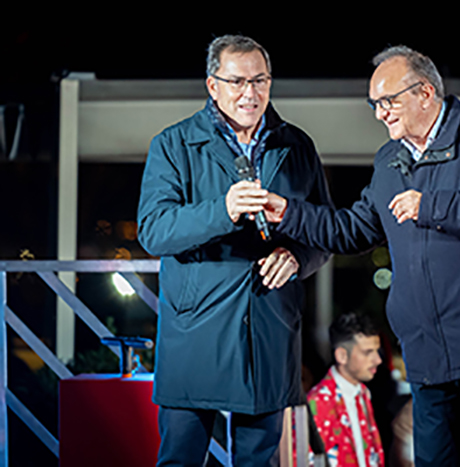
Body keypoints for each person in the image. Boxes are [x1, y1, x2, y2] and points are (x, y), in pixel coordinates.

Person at [259, 46, 460, 466]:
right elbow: (352, 230)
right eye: (374, 104)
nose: (380, 113)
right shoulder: (388, 162)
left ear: (425, 92)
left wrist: (429, 205)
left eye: (388, 101)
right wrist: (287, 211)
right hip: (427, 353)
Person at [137, 35, 332, 466]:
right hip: (196, 329)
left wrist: (298, 257)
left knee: (259, 460)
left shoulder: (297, 146)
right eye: (238, 81)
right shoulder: (173, 145)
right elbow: (154, 231)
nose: (251, 93)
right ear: (213, 85)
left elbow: (324, 232)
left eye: (260, 80)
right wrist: (222, 210)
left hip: (268, 324)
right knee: (181, 458)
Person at [304, 313, 384, 467]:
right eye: (368, 352)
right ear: (342, 355)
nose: (378, 360)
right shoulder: (317, 402)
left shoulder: (362, 393)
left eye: (377, 351)